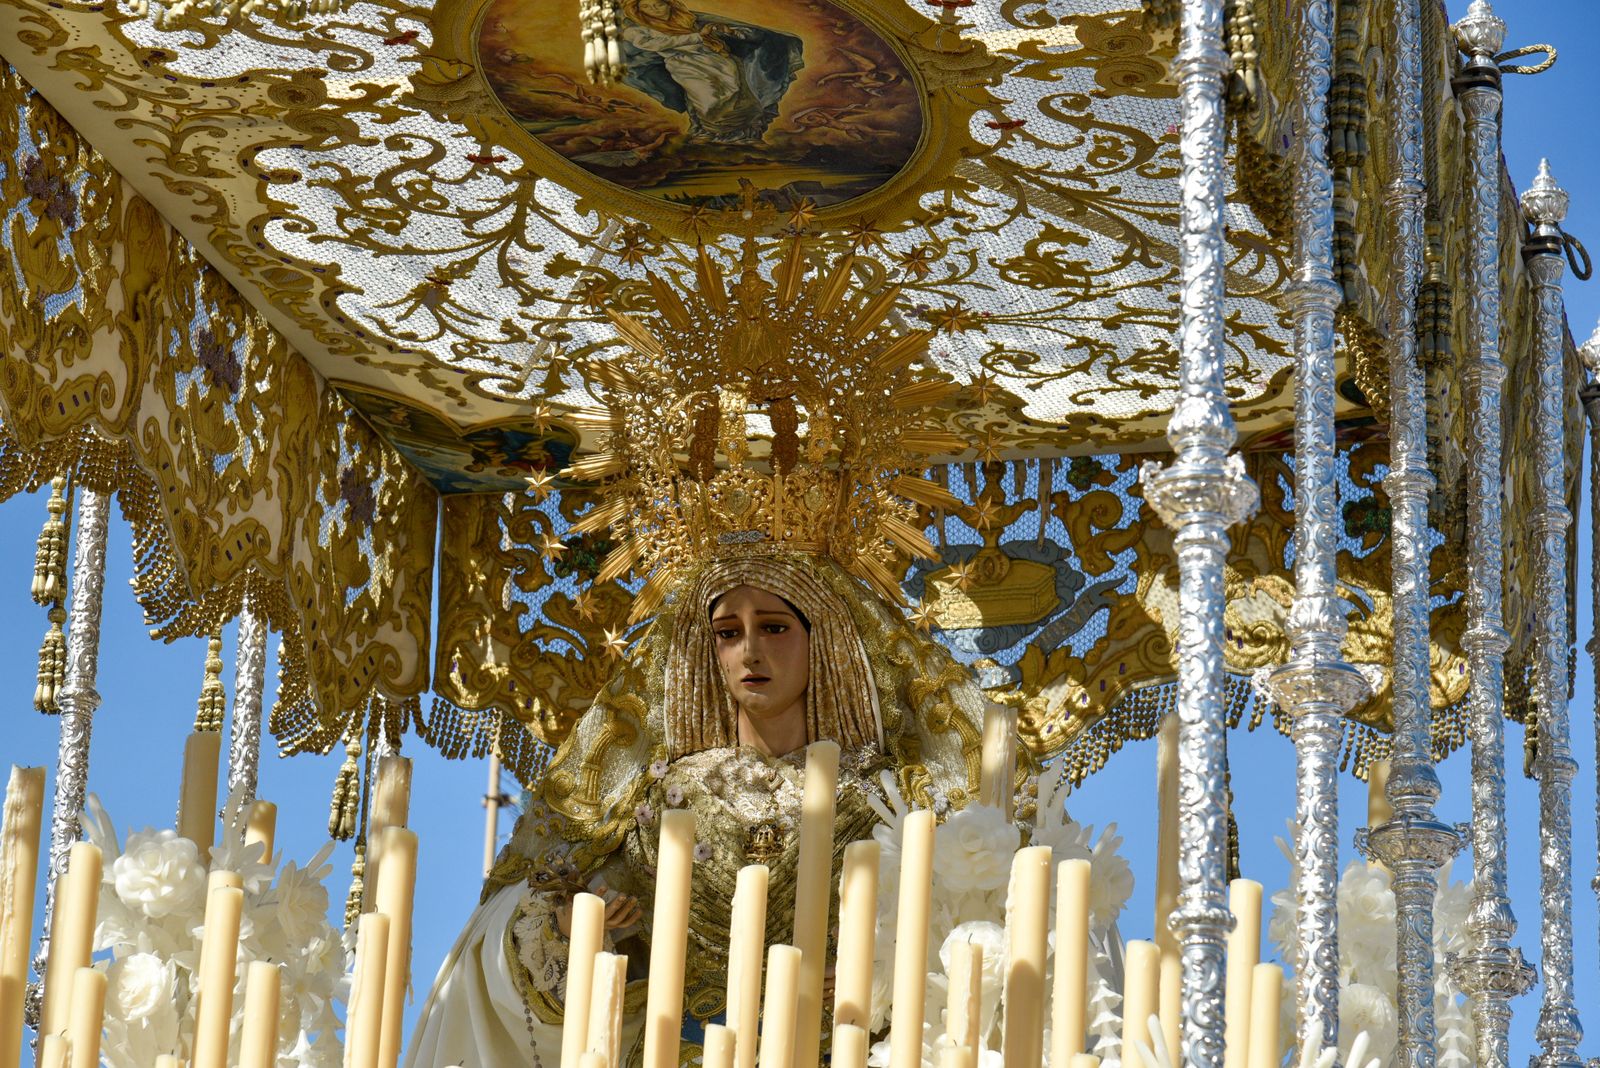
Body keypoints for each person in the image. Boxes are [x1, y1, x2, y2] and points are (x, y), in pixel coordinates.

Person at [404, 553, 993, 1068]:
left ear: (826, 639)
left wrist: (887, 971)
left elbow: (968, 924)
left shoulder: (885, 800)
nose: (750, 651)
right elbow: (559, 922)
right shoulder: (662, 799)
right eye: (727, 633)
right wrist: (572, 923)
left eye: (775, 627)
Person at [615, 0, 803, 144]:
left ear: (669, 4)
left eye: (659, 4)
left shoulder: (688, 20)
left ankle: (740, 135)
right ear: (639, 11)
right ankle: (712, 132)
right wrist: (699, 36)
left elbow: (728, 32)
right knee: (708, 98)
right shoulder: (637, 31)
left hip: (719, 60)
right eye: (648, 6)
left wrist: (725, 31)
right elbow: (658, 44)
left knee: (738, 94)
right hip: (685, 66)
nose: (656, 9)